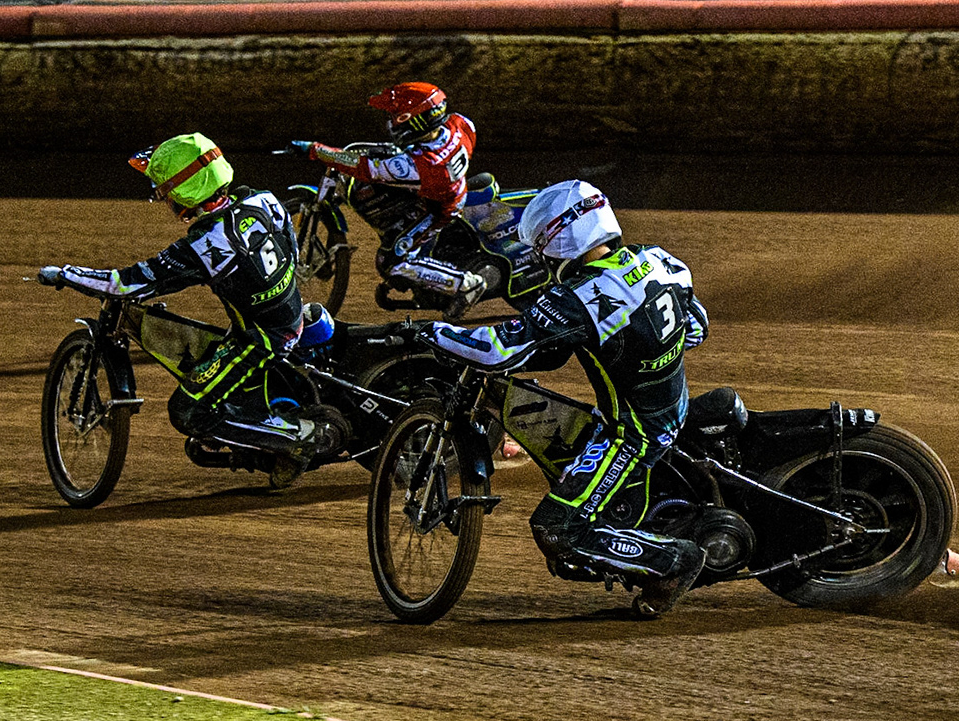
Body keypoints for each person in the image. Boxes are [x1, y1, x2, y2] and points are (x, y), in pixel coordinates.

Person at [420, 179, 710, 616]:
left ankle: (674, 561)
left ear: (559, 239)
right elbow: (697, 328)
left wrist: (432, 331)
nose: (539, 258)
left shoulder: (580, 297)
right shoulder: (660, 259)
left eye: (540, 247)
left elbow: (501, 351)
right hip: (672, 405)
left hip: (632, 432)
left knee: (556, 530)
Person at [39, 133, 345, 484]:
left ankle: (302, 438)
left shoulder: (206, 243)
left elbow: (129, 283)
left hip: (261, 337)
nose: (163, 199)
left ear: (184, 193)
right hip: (286, 311)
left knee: (188, 410)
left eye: (165, 191)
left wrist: (66, 274)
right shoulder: (263, 198)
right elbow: (290, 250)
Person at [294, 82, 486, 317]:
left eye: (397, 116)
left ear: (417, 120)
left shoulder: (422, 166)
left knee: (390, 262)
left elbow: (364, 168)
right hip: (441, 188)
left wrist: (316, 150)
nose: (392, 121)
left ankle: (466, 284)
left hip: (435, 210)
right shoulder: (460, 124)